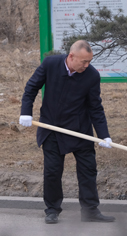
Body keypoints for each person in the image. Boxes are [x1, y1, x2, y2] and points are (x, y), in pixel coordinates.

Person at [19, 40, 115, 224]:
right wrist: (25, 112)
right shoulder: (51, 64)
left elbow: (96, 107)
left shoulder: (91, 76)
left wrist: (104, 134)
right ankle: (52, 210)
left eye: (89, 61)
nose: (87, 65)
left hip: (80, 130)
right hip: (52, 129)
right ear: (71, 57)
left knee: (88, 170)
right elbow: (31, 88)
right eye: (84, 61)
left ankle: (90, 210)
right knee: (53, 171)